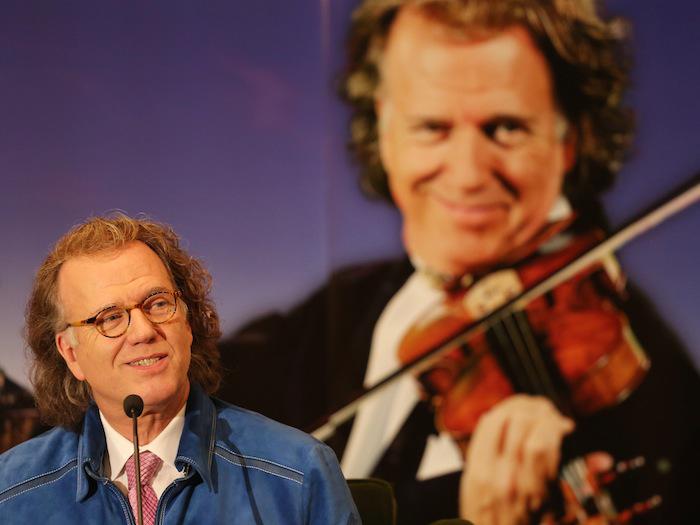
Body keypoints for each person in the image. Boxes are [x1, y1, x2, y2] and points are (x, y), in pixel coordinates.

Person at [218, 1, 700, 523]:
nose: (469, 174)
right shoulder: (340, 310)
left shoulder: (653, 394)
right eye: (432, 127)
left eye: (506, 128)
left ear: (570, 138)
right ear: (385, 127)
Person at [0, 214, 359, 525]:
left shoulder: (297, 473)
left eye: (157, 304)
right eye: (110, 318)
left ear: (188, 323)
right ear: (71, 354)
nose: (143, 331)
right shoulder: (12, 492)